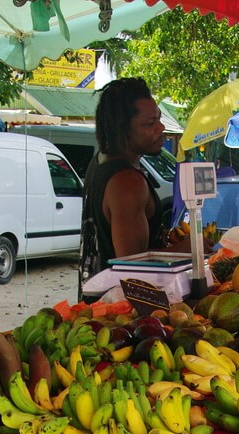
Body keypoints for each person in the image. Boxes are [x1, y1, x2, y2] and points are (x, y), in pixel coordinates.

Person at [80, 78, 174, 290]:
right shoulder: (127, 182)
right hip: (121, 307)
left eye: (159, 119)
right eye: (149, 124)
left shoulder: (99, 162)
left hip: (97, 301)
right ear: (121, 129)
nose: (161, 127)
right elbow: (133, 267)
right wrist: (185, 250)